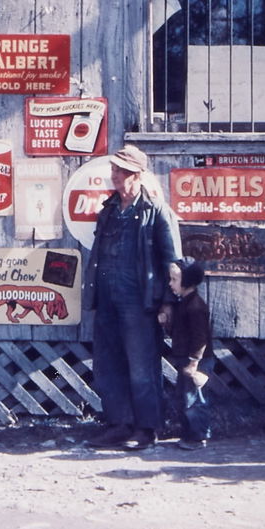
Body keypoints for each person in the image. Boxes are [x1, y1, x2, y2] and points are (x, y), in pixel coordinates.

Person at [85, 143, 182, 450]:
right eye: (114, 170)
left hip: (139, 301)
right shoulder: (109, 210)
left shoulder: (156, 212)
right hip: (107, 297)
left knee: (142, 367)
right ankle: (118, 424)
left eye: (122, 172)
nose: (115, 176)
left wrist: (167, 302)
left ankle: (147, 428)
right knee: (107, 364)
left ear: (137, 175)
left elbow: (173, 261)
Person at [163, 257, 213, 450]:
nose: (170, 283)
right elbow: (178, 330)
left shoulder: (195, 306)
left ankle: (198, 436)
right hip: (185, 358)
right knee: (185, 397)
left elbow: (200, 338)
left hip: (197, 360)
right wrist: (166, 322)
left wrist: (194, 363)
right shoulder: (183, 303)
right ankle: (189, 434)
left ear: (187, 281)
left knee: (195, 399)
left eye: (174, 280)